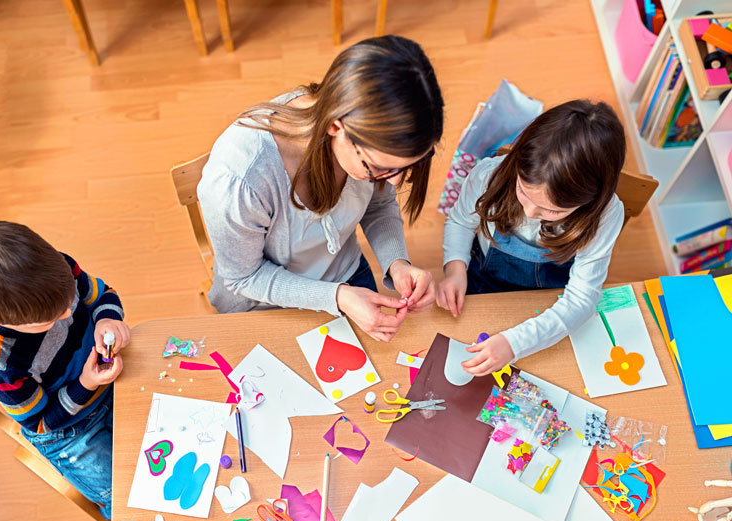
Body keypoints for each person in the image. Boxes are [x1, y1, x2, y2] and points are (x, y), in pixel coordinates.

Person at [197, 35, 444, 341]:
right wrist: (338, 297)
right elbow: (244, 277)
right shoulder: (240, 179)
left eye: (405, 168)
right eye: (379, 168)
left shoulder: (368, 137)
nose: (394, 182)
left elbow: (378, 206)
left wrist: (397, 262)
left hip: (346, 278)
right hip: (265, 302)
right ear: (336, 127)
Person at [0, 221, 130, 519]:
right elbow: (42, 423)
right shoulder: (1, 364)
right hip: (68, 431)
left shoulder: (58, 271)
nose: (67, 313)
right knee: (128, 496)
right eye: (51, 316)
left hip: (109, 383)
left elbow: (102, 295)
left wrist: (108, 320)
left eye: (67, 299)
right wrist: (86, 382)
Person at [437, 99, 626, 375]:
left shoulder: (606, 214)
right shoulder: (489, 175)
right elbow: (460, 221)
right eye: (523, 191)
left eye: (552, 210)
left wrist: (515, 343)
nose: (530, 211)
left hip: (549, 301)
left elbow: (581, 300)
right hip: (481, 283)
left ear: (591, 202)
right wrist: (455, 269)